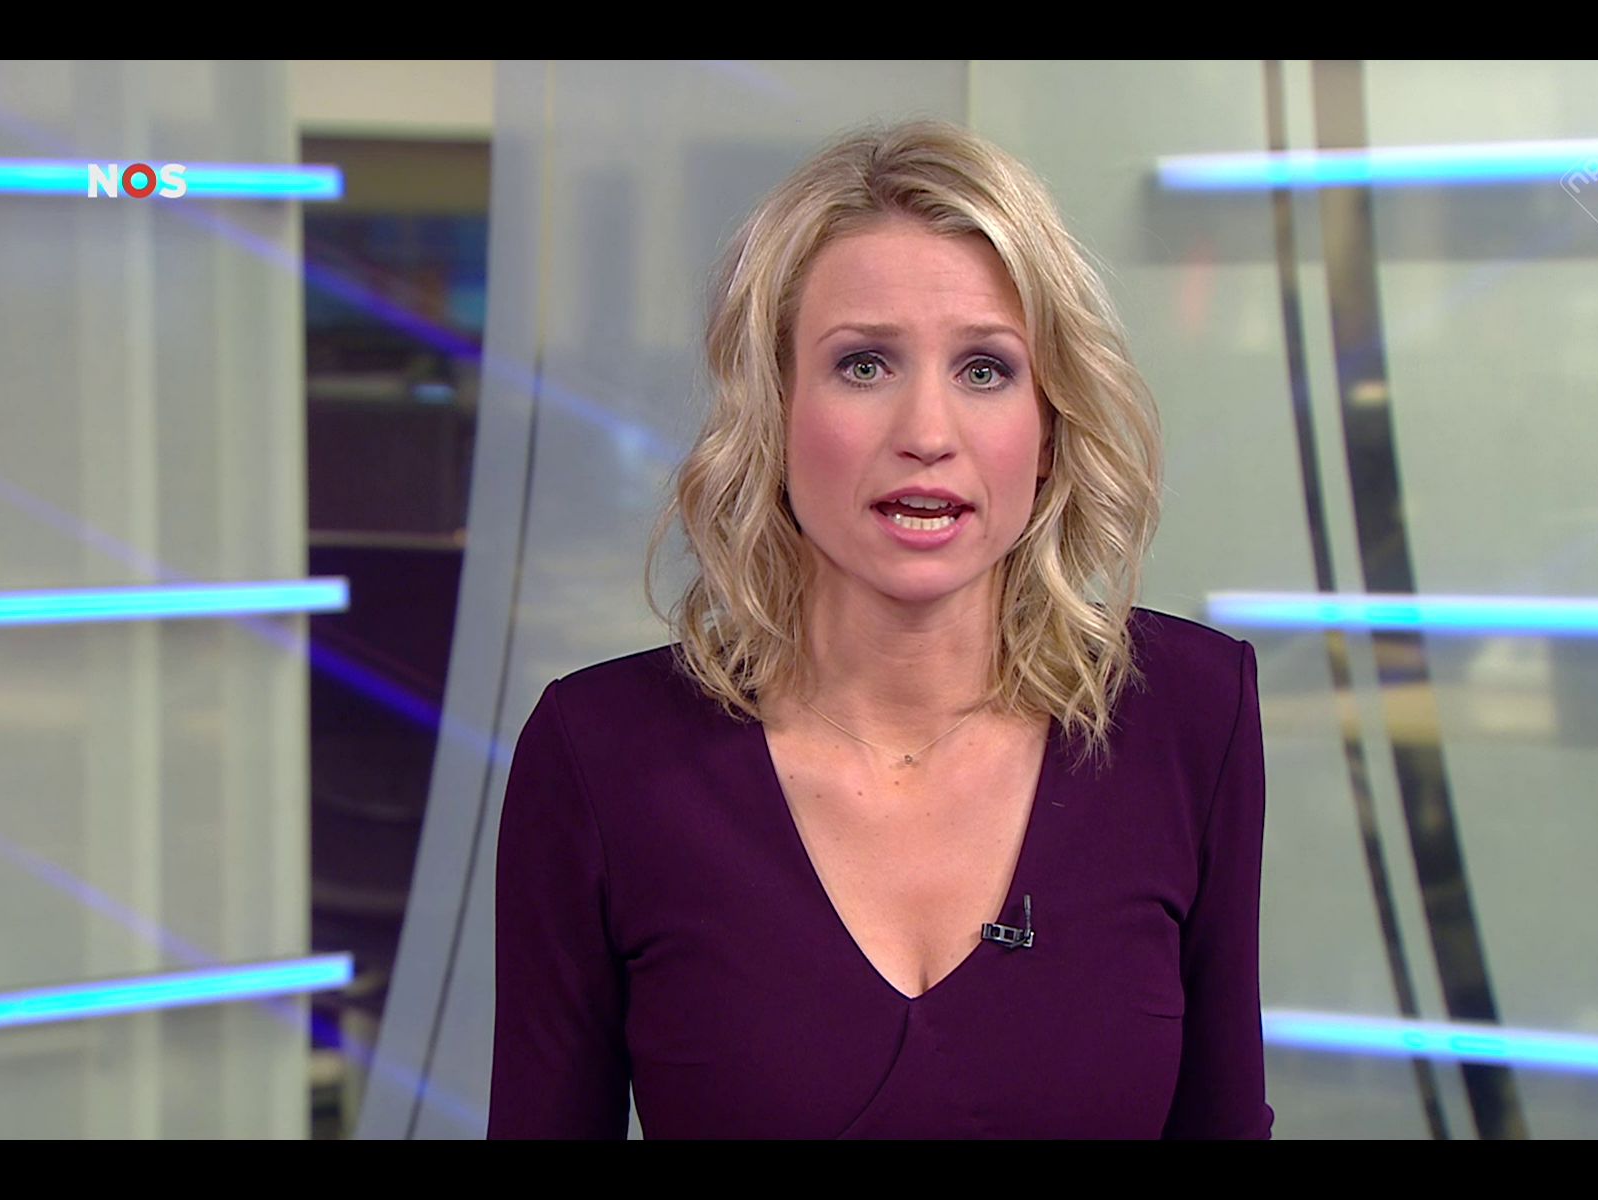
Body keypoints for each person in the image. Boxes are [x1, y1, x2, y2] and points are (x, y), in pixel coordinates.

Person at [487, 118, 1271, 1139]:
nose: (927, 434)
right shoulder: (600, 757)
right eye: (864, 366)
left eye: (985, 369)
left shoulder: (1191, 716)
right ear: (773, 413)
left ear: (1049, 427)